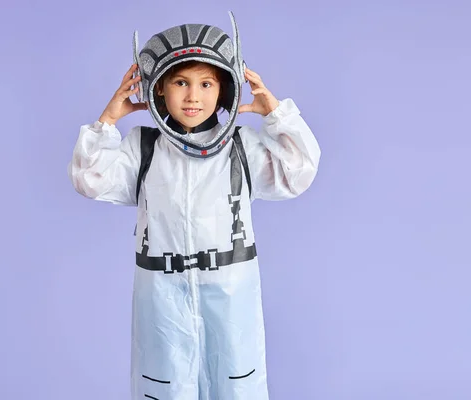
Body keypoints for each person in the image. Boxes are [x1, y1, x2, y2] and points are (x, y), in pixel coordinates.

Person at [69, 12, 321, 400]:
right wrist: (107, 121)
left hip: (231, 296)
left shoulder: (240, 148)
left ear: (224, 89)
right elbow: (90, 178)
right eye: (181, 82)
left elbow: (297, 172)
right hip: (162, 298)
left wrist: (275, 112)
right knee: (164, 386)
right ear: (159, 90)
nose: (193, 96)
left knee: (237, 386)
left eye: (206, 83)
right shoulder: (144, 148)